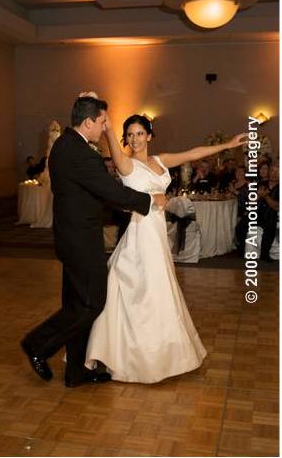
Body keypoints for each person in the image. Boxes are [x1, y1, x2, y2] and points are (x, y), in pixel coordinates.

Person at [86, 111, 247, 383]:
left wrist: (227, 145)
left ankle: (161, 354)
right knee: (139, 290)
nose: (134, 139)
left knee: (159, 291)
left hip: (158, 237)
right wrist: (109, 125)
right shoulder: (125, 164)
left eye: (139, 133)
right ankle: (126, 356)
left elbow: (193, 153)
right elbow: (113, 145)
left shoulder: (160, 161)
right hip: (139, 237)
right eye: (129, 135)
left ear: (149, 135)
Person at [20, 95, 166, 387]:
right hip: (80, 240)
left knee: (76, 302)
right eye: (101, 123)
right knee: (92, 303)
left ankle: (76, 371)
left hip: (72, 235)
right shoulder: (80, 153)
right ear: (88, 122)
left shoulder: (64, 144)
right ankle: (37, 343)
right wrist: (150, 200)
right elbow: (110, 192)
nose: (104, 129)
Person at [257, 164, 279, 262]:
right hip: (257, 213)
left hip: (272, 214)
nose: (275, 174)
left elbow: (276, 206)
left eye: (277, 172)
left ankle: (264, 255)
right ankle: (241, 254)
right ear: (268, 173)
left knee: (270, 225)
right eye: (273, 171)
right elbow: (251, 201)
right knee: (241, 226)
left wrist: (265, 196)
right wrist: (258, 196)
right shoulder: (261, 184)